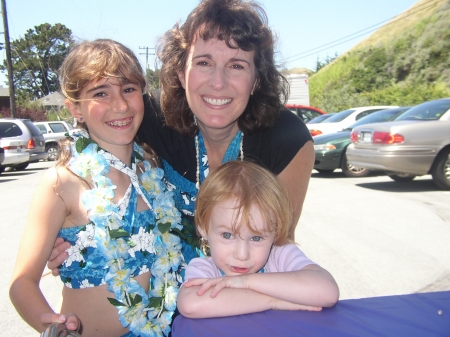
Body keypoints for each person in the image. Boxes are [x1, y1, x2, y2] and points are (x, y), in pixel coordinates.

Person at [48, 0, 314, 292]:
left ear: (255, 80)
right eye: (203, 63)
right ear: (179, 73)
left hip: (252, 296)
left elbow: (278, 244)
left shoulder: (285, 138)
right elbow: (91, 142)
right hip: (163, 310)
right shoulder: (150, 119)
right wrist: (74, 236)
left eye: (236, 66)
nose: (218, 83)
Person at [10, 39, 183, 337]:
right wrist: (52, 325)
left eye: (129, 89)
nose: (120, 105)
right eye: (100, 93)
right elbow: (22, 282)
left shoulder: (153, 168)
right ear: (75, 108)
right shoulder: (63, 182)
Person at [177, 161, 339, 318]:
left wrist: (247, 282)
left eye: (256, 238)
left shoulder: (280, 255)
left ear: (275, 232)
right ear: (204, 228)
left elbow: (328, 292)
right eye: (227, 235)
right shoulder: (205, 270)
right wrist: (274, 301)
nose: (242, 255)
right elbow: (190, 304)